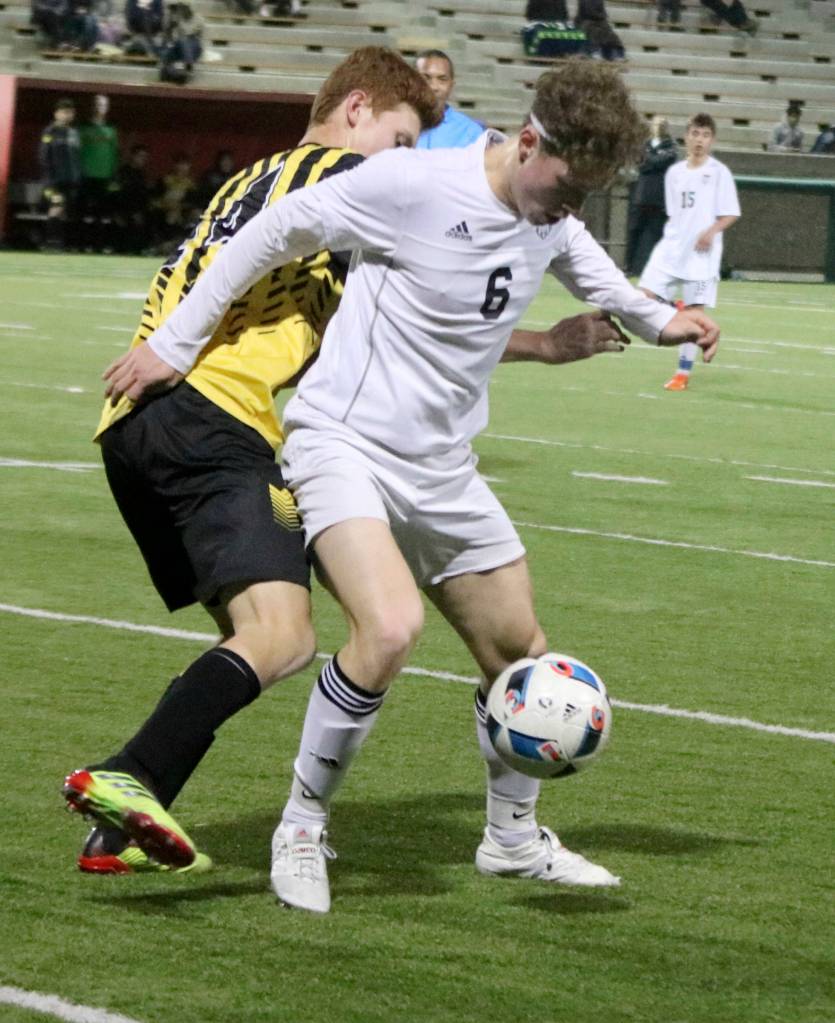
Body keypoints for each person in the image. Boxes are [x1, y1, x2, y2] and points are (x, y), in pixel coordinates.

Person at [82, 59, 720, 908]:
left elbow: (591, 269)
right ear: (529, 142)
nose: (570, 208)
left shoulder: (550, 214)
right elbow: (273, 230)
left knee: (520, 651)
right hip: (342, 445)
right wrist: (175, 341)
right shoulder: (411, 182)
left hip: (442, 464)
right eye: (567, 187)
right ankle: (301, 823)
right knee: (386, 629)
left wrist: (664, 319)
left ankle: (511, 840)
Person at [58, 47, 460, 874]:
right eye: (398, 140)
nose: (401, 164)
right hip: (213, 422)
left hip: (136, 426)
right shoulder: (344, 179)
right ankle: (128, 774)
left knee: (251, 637)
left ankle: (121, 824)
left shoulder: (258, 177)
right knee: (283, 635)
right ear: (356, 108)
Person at [639, 112, 739, 391]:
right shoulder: (674, 173)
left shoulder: (719, 173)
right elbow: (675, 213)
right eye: (695, 134)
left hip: (702, 257)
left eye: (705, 135)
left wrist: (710, 231)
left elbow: (731, 213)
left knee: (695, 315)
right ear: (686, 137)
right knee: (641, 299)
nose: (699, 140)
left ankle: (681, 375)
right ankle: (675, 308)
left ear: (712, 140)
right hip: (671, 250)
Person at [625, 115, 678, 277]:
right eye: (655, 124)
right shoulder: (645, 145)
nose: (658, 127)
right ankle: (629, 267)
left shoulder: (671, 146)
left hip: (659, 199)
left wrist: (649, 160)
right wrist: (652, 161)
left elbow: (660, 161)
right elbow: (640, 162)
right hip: (641, 197)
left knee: (657, 234)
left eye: (661, 125)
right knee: (634, 231)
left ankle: (655, 270)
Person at [415, 50, 484, 150]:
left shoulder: (471, 132)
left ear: (451, 86)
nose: (434, 87)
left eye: (442, 79)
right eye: (425, 78)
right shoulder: (396, 124)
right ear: (411, 81)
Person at [39, 97, 81, 250]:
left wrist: (77, 177)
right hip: (53, 180)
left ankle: (59, 242)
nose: (67, 116)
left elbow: (76, 157)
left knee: (63, 211)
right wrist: (49, 180)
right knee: (56, 206)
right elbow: (43, 157)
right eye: (64, 112)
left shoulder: (73, 132)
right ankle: (51, 241)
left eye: (70, 112)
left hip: (70, 180)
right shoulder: (50, 131)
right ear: (56, 114)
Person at [78, 94, 119, 251]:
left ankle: (98, 245)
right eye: (98, 104)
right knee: (82, 213)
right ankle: (81, 244)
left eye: (104, 105)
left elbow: (115, 153)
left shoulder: (111, 128)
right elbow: (77, 151)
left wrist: (114, 174)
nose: (100, 108)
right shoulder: (83, 127)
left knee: (101, 214)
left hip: (105, 176)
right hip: (85, 175)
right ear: (92, 106)